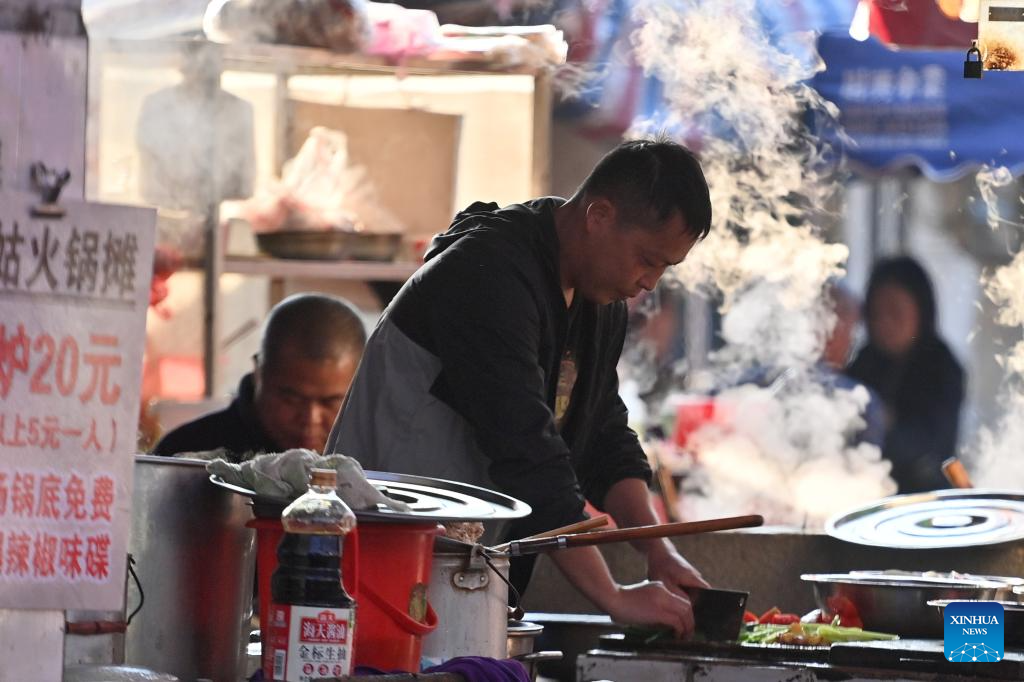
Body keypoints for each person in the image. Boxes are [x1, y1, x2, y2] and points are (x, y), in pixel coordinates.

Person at [325, 139, 713, 636]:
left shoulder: (601, 301)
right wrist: (613, 597)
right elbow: (527, 452)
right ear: (599, 215)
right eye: (647, 259)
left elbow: (602, 433)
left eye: (664, 268)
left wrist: (658, 550)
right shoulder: (488, 273)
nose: (650, 283)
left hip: (459, 571)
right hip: (379, 560)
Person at [153, 293, 366, 457]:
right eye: (291, 399)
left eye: (331, 402)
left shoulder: (377, 458)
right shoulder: (188, 454)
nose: (310, 419)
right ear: (258, 373)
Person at [845, 256, 965, 494]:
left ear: (921, 310)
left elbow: (930, 441)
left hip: (928, 495)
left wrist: (881, 419)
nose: (885, 323)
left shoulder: (940, 365)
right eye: (876, 313)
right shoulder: (865, 361)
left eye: (895, 312)